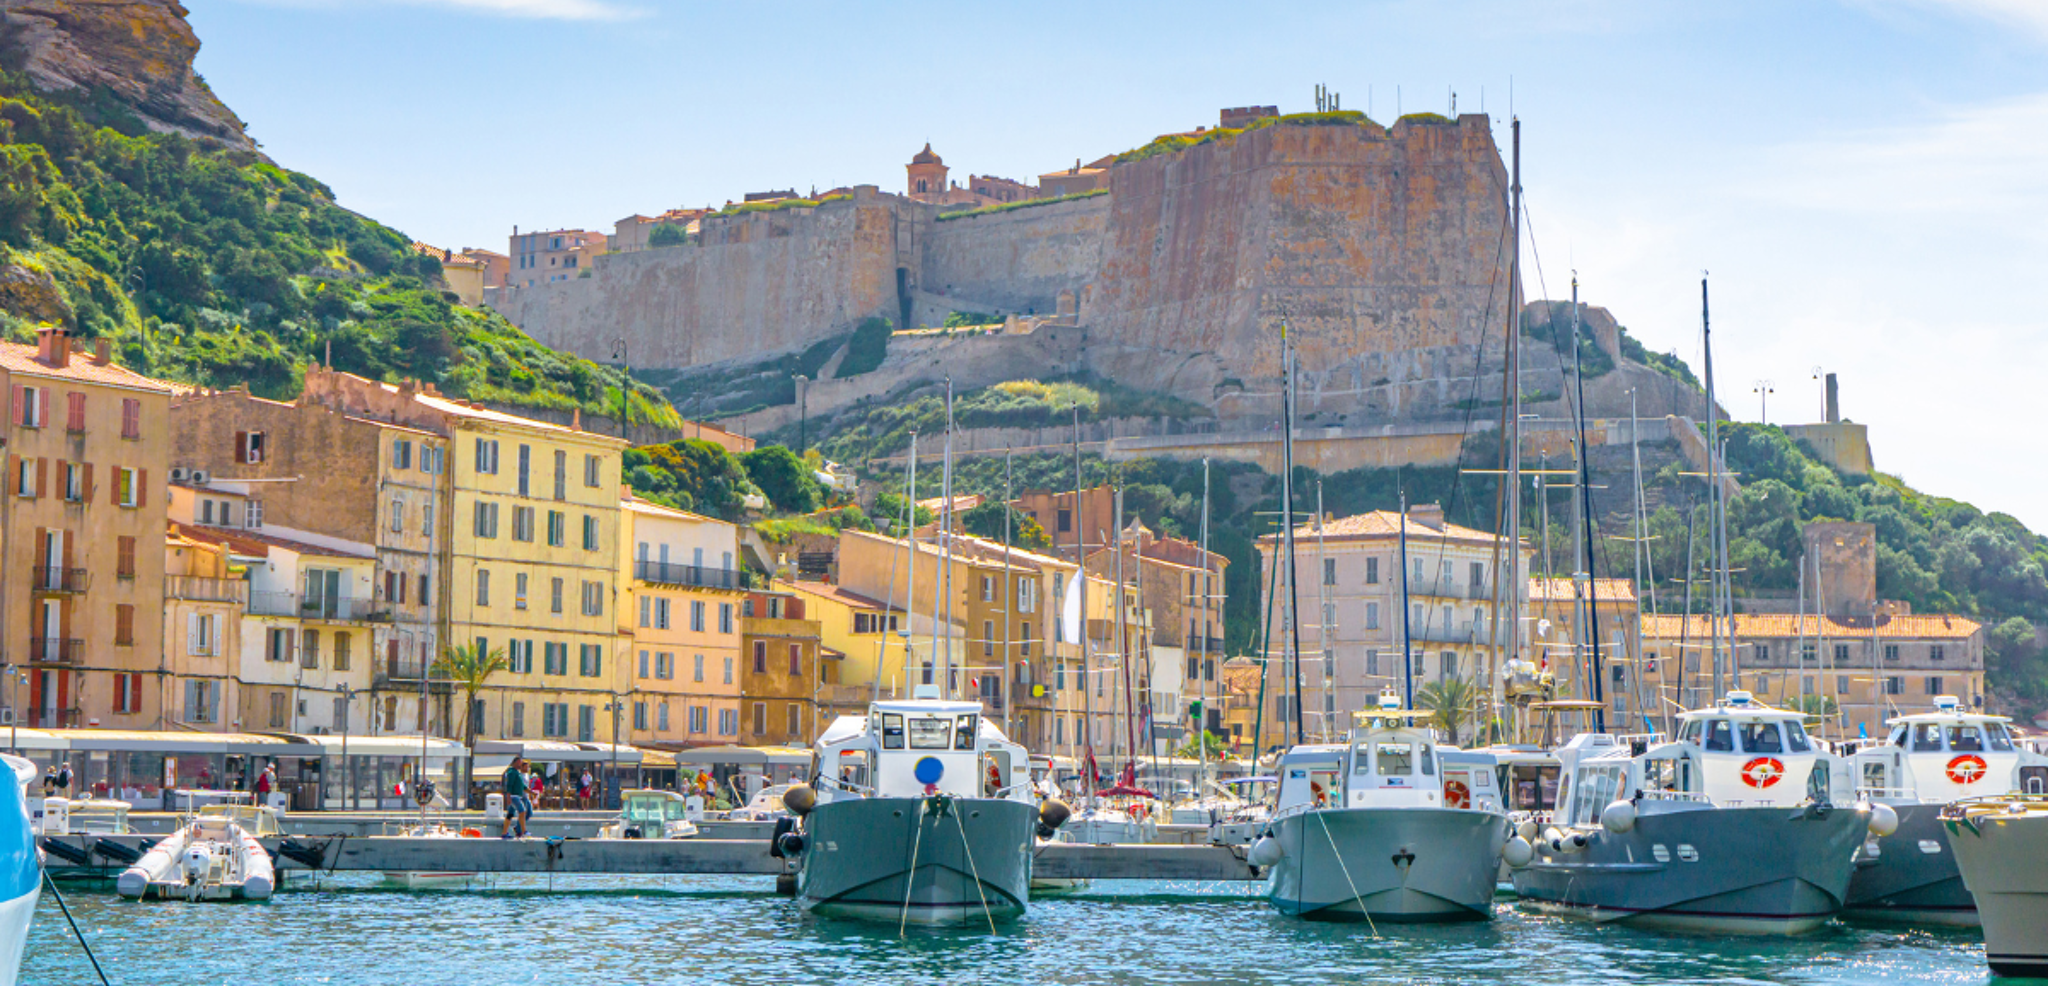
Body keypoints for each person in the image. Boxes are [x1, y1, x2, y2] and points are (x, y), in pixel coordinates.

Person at [502, 757, 532, 839]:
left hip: (516, 796)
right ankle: (524, 831)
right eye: (519, 763)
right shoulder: (512, 772)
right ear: (515, 763)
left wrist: (531, 792)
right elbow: (509, 785)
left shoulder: (517, 772)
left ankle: (504, 833)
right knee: (522, 811)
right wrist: (508, 797)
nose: (520, 764)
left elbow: (522, 786)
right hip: (513, 796)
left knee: (510, 815)